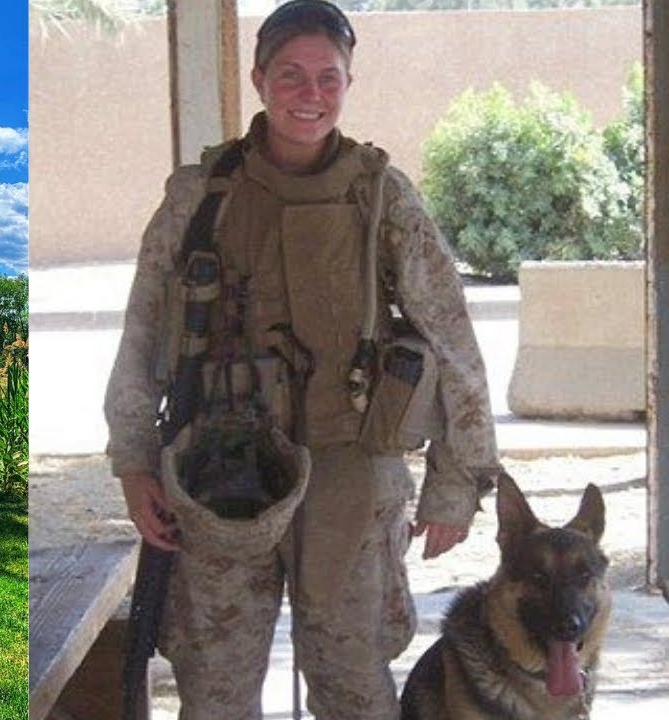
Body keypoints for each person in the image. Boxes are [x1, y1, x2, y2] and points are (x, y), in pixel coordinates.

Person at [103, 2, 503, 718]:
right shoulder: (200, 197)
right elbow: (141, 335)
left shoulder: (382, 196)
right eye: (291, 74)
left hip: (354, 473)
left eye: (328, 77)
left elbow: (453, 342)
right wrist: (135, 464)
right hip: (220, 469)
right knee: (215, 688)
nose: (309, 94)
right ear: (259, 78)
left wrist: (456, 484)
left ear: (349, 83)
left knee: (355, 687)